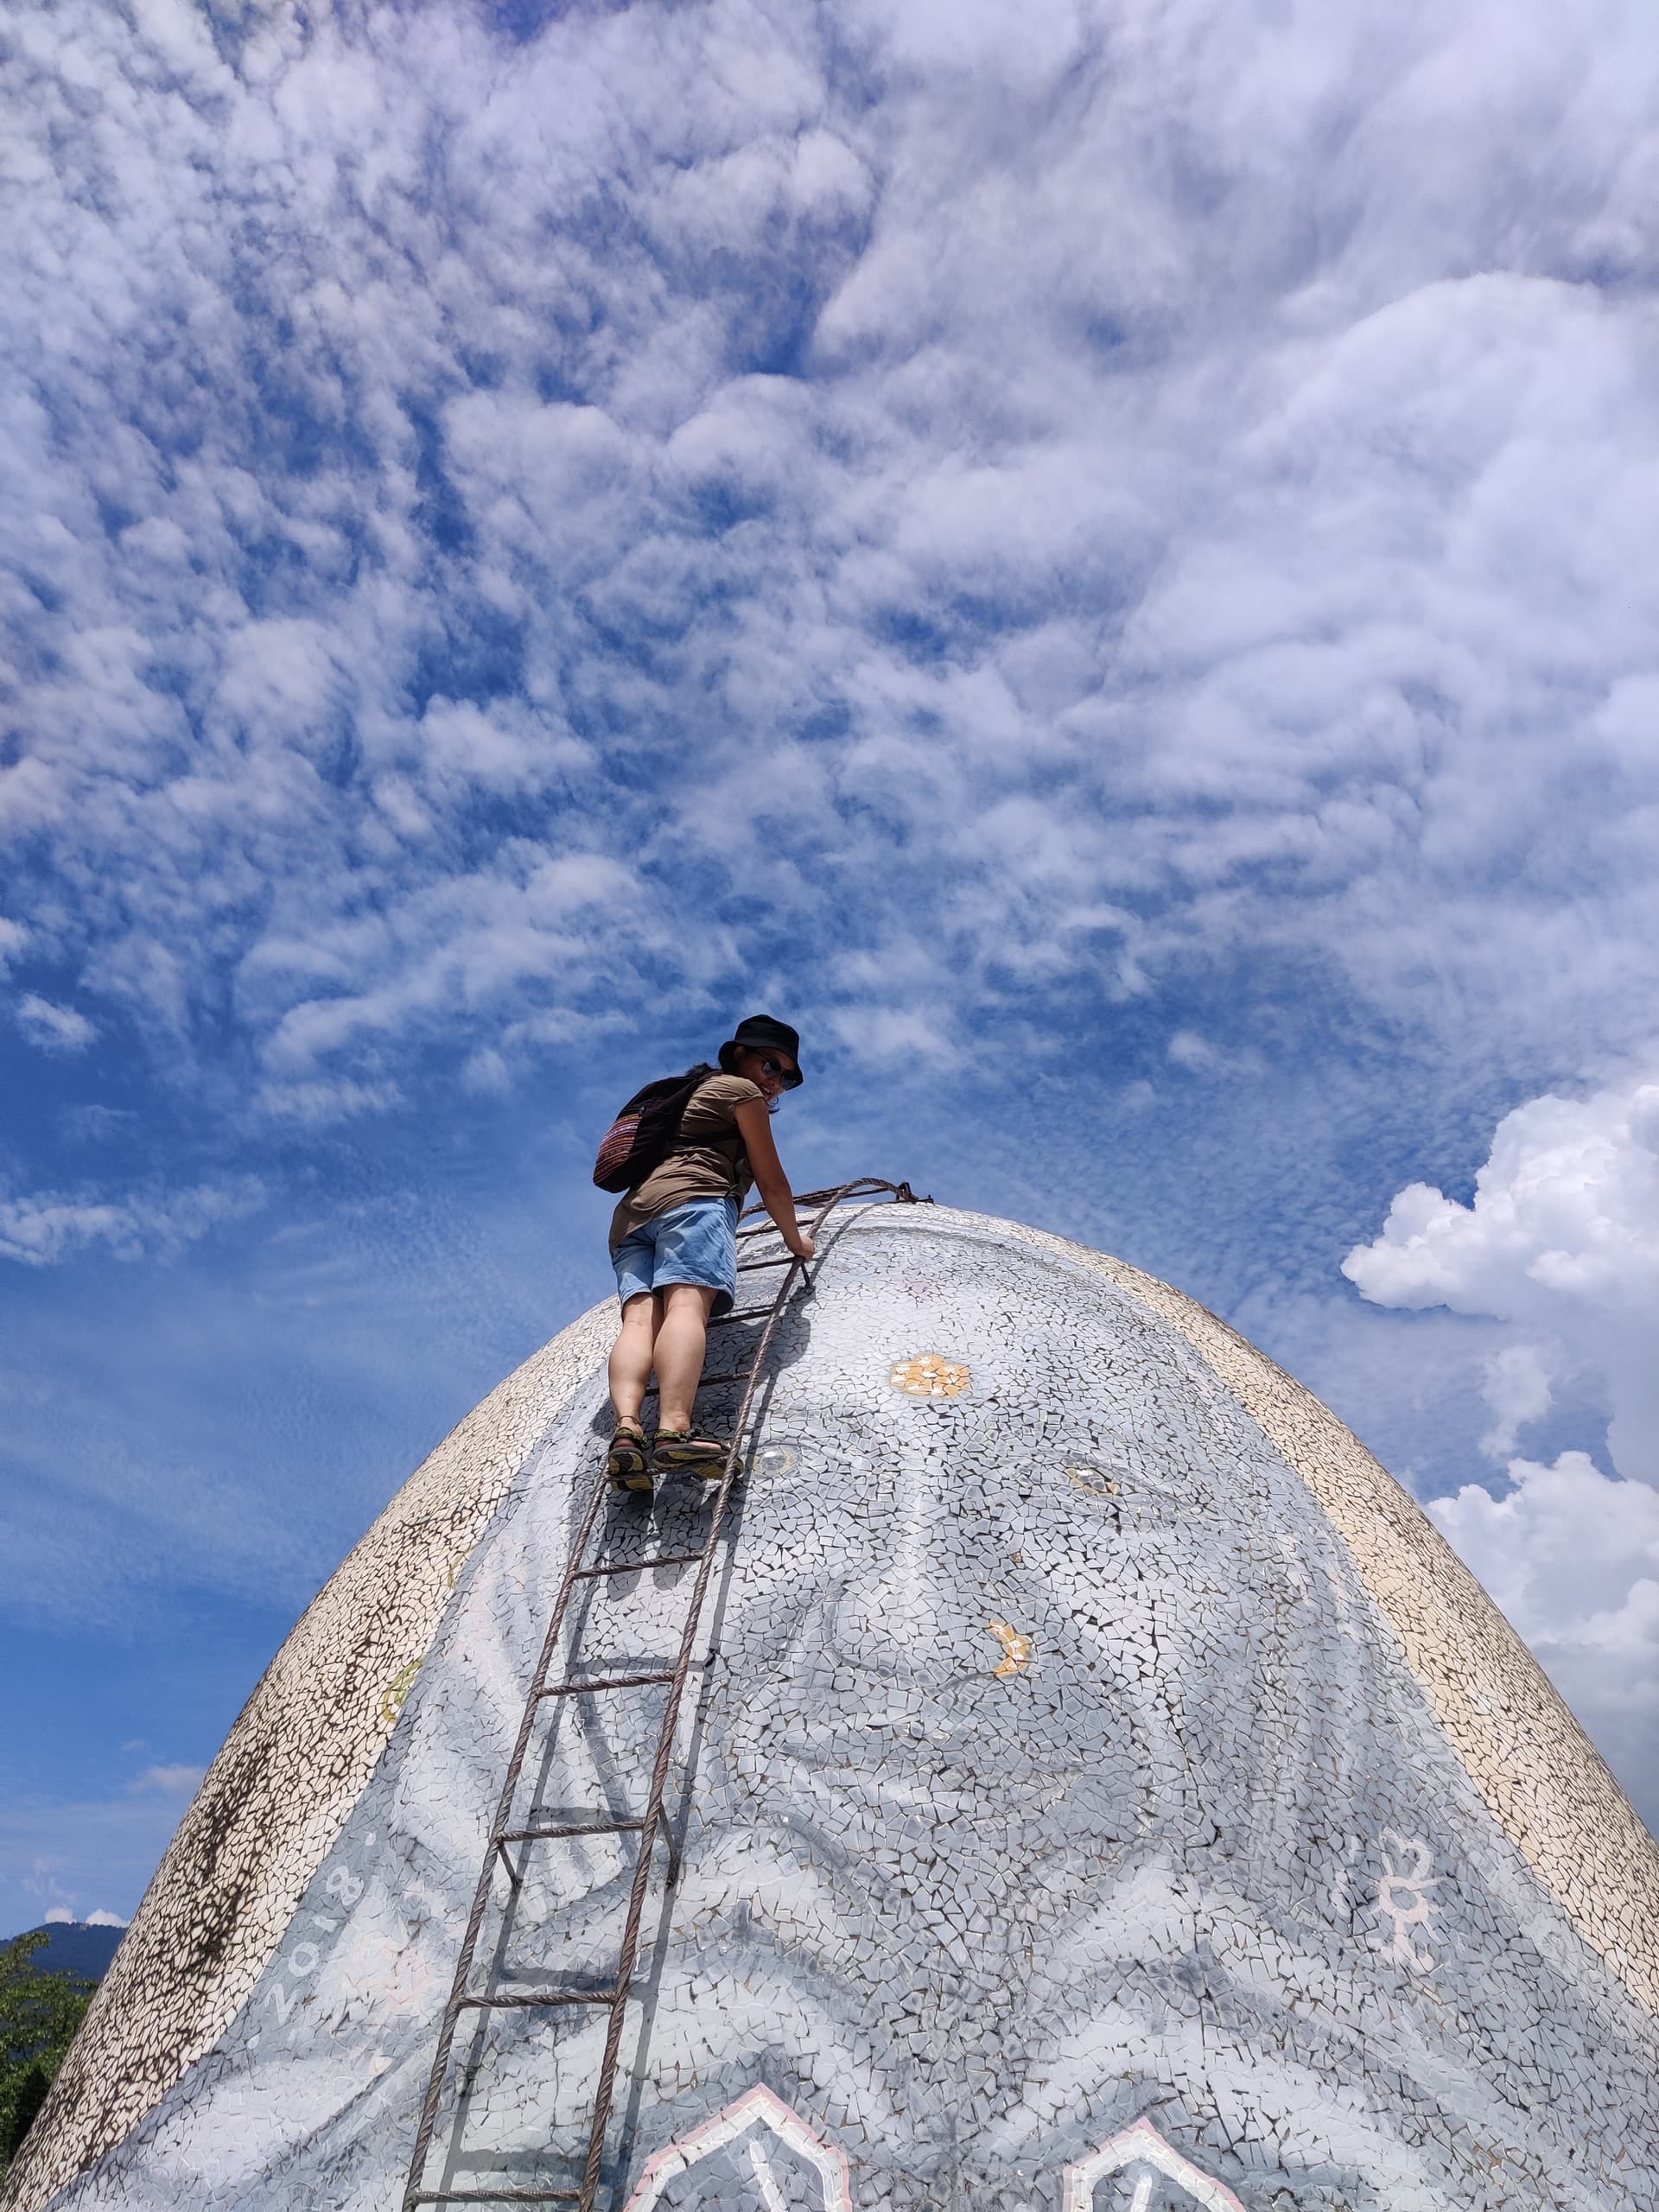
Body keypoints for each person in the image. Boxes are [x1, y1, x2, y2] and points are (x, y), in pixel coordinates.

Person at [604, 1015, 814, 1490]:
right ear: (739, 1054)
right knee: (685, 1307)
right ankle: (675, 1429)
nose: (776, 1082)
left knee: (638, 1321)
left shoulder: (689, 1093)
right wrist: (794, 1240)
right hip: (694, 1204)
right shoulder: (741, 1096)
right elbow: (772, 1180)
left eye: (788, 1077)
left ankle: (627, 1431)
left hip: (632, 1221)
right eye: (771, 1065)